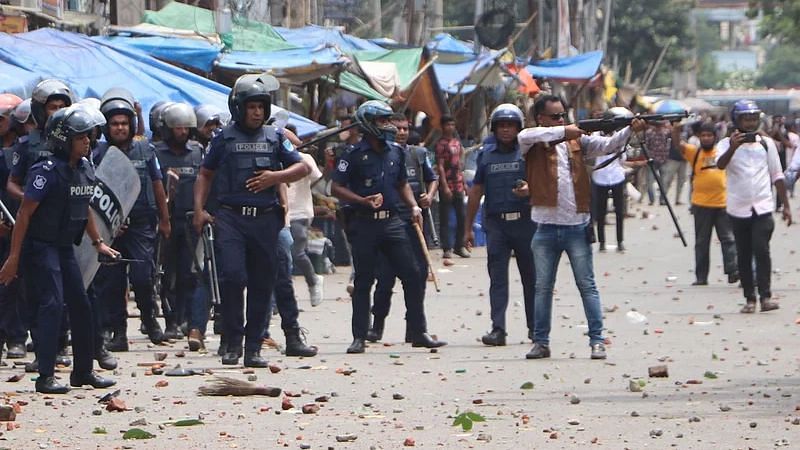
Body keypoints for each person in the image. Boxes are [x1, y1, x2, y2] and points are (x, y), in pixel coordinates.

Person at [193, 74, 309, 367]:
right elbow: (205, 174)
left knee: (262, 283)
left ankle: (253, 347)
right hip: (231, 218)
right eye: (251, 107)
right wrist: (198, 209)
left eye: (261, 106)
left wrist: (276, 177)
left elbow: (301, 167)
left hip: (266, 220)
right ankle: (231, 342)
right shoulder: (224, 138)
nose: (257, 112)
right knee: (233, 278)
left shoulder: (276, 137)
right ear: (238, 108)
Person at [518, 95, 646, 360]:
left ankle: (597, 341)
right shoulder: (530, 140)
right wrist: (565, 130)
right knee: (542, 288)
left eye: (563, 115)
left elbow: (608, 145)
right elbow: (527, 135)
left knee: (587, 286)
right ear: (540, 118)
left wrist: (629, 130)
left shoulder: (577, 141)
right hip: (545, 227)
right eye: (555, 117)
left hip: (577, 226)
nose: (561, 120)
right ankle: (541, 341)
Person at [0, 105, 117, 394]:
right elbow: (25, 214)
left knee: (81, 303)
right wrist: (14, 258)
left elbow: (84, 207)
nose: (87, 142)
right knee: (52, 304)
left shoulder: (86, 168)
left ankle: (83, 372)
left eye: (88, 137)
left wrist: (97, 241)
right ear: (64, 140)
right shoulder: (46, 171)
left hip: (65, 247)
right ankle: (45, 375)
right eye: (80, 138)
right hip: (40, 247)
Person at [332, 100, 446, 353]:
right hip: (364, 224)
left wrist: (413, 205)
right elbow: (336, 187)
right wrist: (361, 200)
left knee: (413, 275)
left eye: (388, 120)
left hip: (393, 222)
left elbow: (402, 183)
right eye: (382, 121)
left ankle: (418, 332)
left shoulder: (397, 152)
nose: (389, 126)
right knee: (364, 281)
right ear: (368, 124)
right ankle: (359, 336)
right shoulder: (352, 154)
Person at [94, 88, 171, 350]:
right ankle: (118, 332)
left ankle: (150, 320)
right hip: (111, 226)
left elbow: (158, 184)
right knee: (112, 282)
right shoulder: (97, 154)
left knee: (142, 276)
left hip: (141, 223)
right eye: (114, 124)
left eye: (124, 123)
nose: (120, 128)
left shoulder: (145, 150)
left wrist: (165, 219)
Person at [464, 104, 536, 347]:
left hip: (526, 223)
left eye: (511, 125)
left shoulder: (529, 152)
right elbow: (476, 192)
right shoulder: (486, 155)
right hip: (497, 225)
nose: (506, 130)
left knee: (531, 278)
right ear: (495, 128)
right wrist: (467, 229)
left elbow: (544, 183)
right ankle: (498, 329)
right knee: (497, 279)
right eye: (502, 125)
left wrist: (530, 190)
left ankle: (536, 328)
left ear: (519, 128)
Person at [367, 113, 438, 343]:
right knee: (385, 278)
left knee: (417, 276)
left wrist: (429, 196)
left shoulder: (418, 154)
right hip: (388, 223)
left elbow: (432, 178)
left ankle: (416, 328)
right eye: (397, 128)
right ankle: (376, 326)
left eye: (405, 128)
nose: (402, 132)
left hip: (414, 222)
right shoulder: (381, 155)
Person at [716, 100, 792, 313]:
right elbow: (720, 165)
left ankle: (765, 297)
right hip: (738, 207)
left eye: (753, 119)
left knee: (762, 250)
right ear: (737, 120)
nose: (750, 123)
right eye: (745, 119)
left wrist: (785, 205)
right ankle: (750, 298)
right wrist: (733, 146)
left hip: (763, 206)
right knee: (743, 252)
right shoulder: (725, 144)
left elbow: (777, 175)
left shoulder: (766, 144)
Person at [154, 102, 205, 346]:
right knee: (167, 273)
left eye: (186, 128)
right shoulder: (157, 153)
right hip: (166, 220)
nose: (182, 132)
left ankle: (185, 318)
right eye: (177, 128)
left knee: (188, 272)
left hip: (189, 220)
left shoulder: (197, 152)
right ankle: (170, 320)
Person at [671, 121, 738, 286]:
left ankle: (732, 270)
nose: (706, 138)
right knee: (702, 242)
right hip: (700, 205)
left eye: (709, 135)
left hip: (722, 203)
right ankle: (701, 277)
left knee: (728, 239)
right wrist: (675, 131)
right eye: (703, 136)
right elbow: (678, 145)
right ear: (699, 137)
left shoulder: (722, 152)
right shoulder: (694, 152)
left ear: (715, 137)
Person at [287, 137, 325, 307]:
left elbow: (315, 176)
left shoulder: (304, 158)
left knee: (297, 252)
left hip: (299, 213)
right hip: (278, 213)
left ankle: (313, 280)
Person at [591, 107, 635, 253]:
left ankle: (620, 241)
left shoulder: (619, 136)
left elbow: (623, 158)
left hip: (616, 176)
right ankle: (602, 242)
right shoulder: (594, 136)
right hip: (600, 177)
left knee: (619, 211)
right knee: (600, 211)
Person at [435, 115, 469, 259]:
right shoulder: (441, 144)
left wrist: (464, 183)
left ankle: (459, 246)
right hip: (447, 185)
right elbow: (440, 167)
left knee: (462, 216)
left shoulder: (456, 143)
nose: (450, 127)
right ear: (443, 126)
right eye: (448, 124)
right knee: (445, 218)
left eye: (452, 124)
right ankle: (446, 247)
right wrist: (444, 186)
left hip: (458, 184)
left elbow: (460, 164)